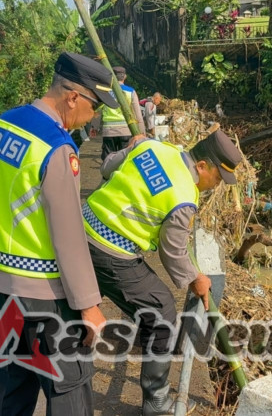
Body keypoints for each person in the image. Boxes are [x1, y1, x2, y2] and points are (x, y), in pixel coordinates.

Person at [0, 52, 118, 416]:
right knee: (68, 385)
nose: (94, 115)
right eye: (95, 106)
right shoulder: (56, 148)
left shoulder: (2, 124)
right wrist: (89, 306)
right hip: (42, 293)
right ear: (73, 97)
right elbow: (68, 236)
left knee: (14, 382)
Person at [81, 130, 243, 415]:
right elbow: (173, 251)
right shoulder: (183, 197)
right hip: (110, 251)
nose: (216, 185)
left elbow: (106, 168)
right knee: (161, 313)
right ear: (202, 166)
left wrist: (132, 148)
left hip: (82, 230)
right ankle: (156, 400)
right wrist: (195, 278)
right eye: (217, 178)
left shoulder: (154, 147)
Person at [90, 65, 145, 160]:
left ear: (112, 77)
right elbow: (137, 114)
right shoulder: (131, 91)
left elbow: (98, 111)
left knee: (108, 159)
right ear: (125, 77)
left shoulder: (105, 92)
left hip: (109, 131)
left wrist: (94, 127)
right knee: (124, 159)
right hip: (126, 130)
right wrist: (142, 131)